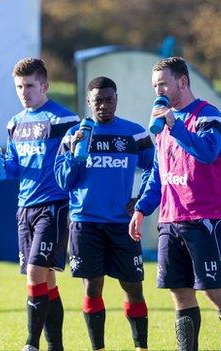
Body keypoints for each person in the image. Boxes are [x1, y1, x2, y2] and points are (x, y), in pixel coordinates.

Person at [129, 57, 221, 351]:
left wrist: (176, 126)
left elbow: (208, 153)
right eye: (155, 85)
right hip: (170, 219)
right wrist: (142, 208)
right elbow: (158, 174)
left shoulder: (208, 116)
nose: (158, 90)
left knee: (212, 289)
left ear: (182, 82)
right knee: (179, 292)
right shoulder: (160, 127)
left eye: (163, 83)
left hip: (203, 218)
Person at [0, 58, 79, 351]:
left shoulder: (64, 120)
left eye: (29, 86)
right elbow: (13, 167)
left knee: (36, 272)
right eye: (18, 87)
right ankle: (56, 346)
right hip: (24, 206)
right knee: (47, 280)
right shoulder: (15, 122)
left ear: (44, 86)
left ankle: (31, 344)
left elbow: (76, 165)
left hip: (53, 205)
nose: (23, 92)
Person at [55, 76, 153, 351]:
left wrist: (140, 198)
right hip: (86, 223)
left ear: (116, 100)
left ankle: (141, 346)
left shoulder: (135, 134)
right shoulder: (74, 135)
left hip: (124, 225)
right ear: (89, 102)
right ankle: (98, 347)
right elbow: (63, 181)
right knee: (91, 287)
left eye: (109, 99)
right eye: (98, 100)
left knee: (133, 287)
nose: (104, 105)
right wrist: (76, 152)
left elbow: (154, 168)